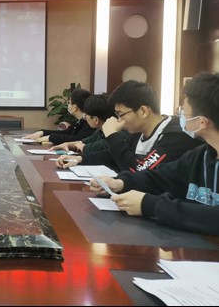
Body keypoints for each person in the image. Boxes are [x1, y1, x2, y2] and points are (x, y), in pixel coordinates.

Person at [90, 72, 219, 236]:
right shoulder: (202, 155)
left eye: (184, 113)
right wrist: (121, 182)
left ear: (202, 122)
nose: (181, 117)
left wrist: (150, 205)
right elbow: (161, 177)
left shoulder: (177, 137)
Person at [56, 80, 201, 171]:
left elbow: (140, 169)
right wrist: (81, 159)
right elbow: (114, 156)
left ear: (143, 111)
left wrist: (112, 136)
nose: (119, 121)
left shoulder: (174, 135)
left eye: (121, 114)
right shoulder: (138, 131)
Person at [50, 93, 129, 157]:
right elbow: (84, 141)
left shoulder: (117, 134)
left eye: (86, 115)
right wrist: (67, 144)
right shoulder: (100, 131)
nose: (84, 117)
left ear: (96, 120)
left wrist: (82, 147)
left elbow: (90, 147)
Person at [23, 88, 95, 145]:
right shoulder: (81, 121)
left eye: (69, 102)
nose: (67, 105)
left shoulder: (89, 123)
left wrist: (50, 137)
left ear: (75, 107)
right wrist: (43, 133)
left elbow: (76, 139)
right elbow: (66, 132)